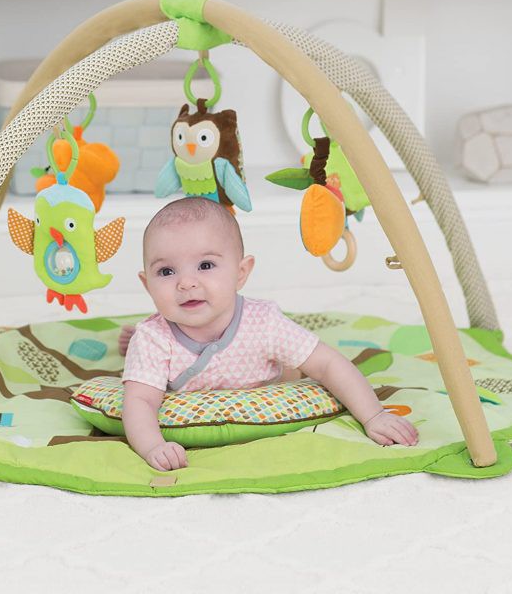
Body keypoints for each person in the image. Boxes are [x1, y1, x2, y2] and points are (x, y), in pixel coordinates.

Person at [119, 197, 419, 472]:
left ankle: (291, 363)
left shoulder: (264, 323)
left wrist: (373, 415)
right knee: (139, 352)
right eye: (166, 272)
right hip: (163, 361)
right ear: (147, 285)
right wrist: (154, 446)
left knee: (298, 365)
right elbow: (140, 401)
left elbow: (328, 363)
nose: (186, 282)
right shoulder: (153, 338)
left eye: (205, 265)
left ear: (241, 273)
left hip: (271, 379)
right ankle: (129, 345)